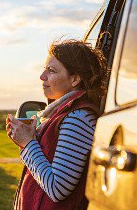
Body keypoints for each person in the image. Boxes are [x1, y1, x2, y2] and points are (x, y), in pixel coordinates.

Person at [6, 39, 108, 210]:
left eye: (51, 71)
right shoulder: (64, 114)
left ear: (75, 79)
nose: (42, 76)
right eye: (44, 69)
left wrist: (27, 143)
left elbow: (58, 188)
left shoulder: (78, 118)